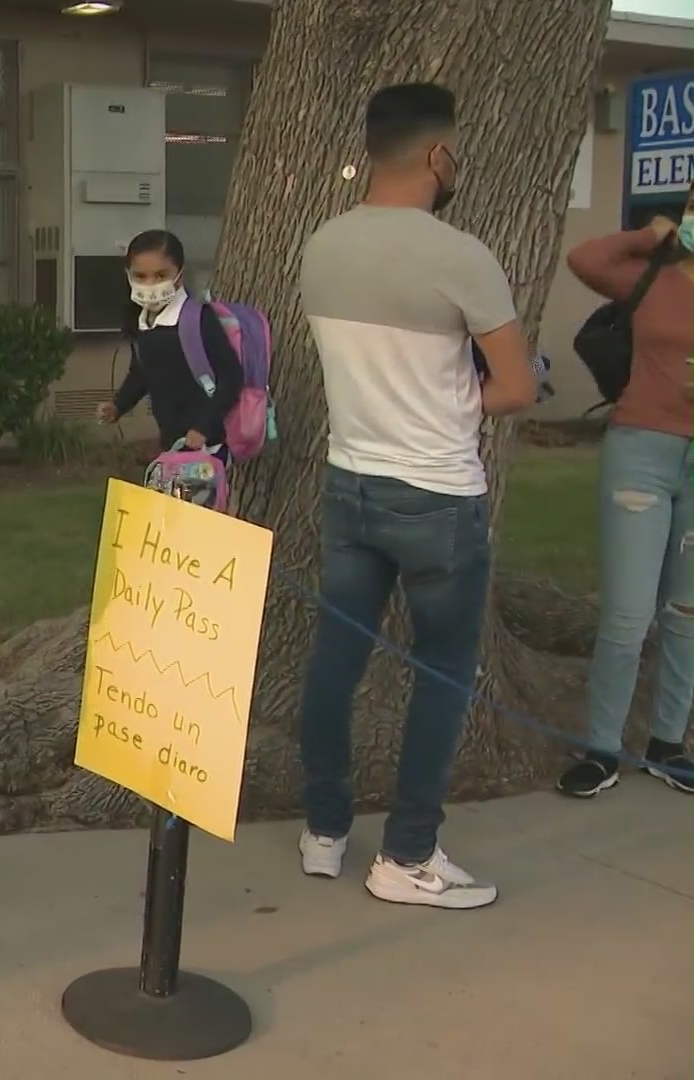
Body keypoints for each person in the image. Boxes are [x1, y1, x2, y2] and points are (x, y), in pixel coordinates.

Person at [294, 83, 540, 910]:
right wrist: (460, 393)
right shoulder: (459, 255)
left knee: (336, 660)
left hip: (351, 485)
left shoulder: (322, 245)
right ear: (439, 155)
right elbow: (514, 389)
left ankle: (324, 829)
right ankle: (406, 856)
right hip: (436, 497)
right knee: (441, 673)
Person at [556, 191, 694, 798]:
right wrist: (649, 236)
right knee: (628, 614)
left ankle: (669, 744)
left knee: (687, 613)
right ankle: (602, 749)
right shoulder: (652, 272)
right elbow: (585, 258)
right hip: (641, 450)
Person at [96, 229, 244, 460]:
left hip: (207, 447)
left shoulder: (199, 319)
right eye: (140, 276)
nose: (150, 284)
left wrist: (204, 428)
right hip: (171, 443)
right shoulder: (144, 323)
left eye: (161, 275)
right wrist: (118, 406)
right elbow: (141, 372)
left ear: (179, 275)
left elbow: (232, 377)